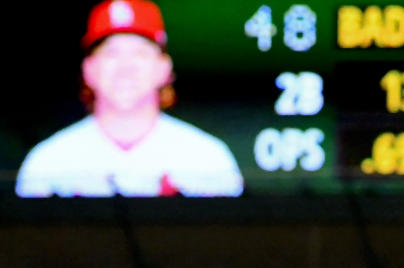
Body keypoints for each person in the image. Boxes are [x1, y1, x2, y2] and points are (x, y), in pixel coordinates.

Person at [16, 0, 243, 198]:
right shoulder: (49, 163)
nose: (125, 67)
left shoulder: (208, 159)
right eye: (111, 53)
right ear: (89, 69)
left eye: (140, 53)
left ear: (164, 67)